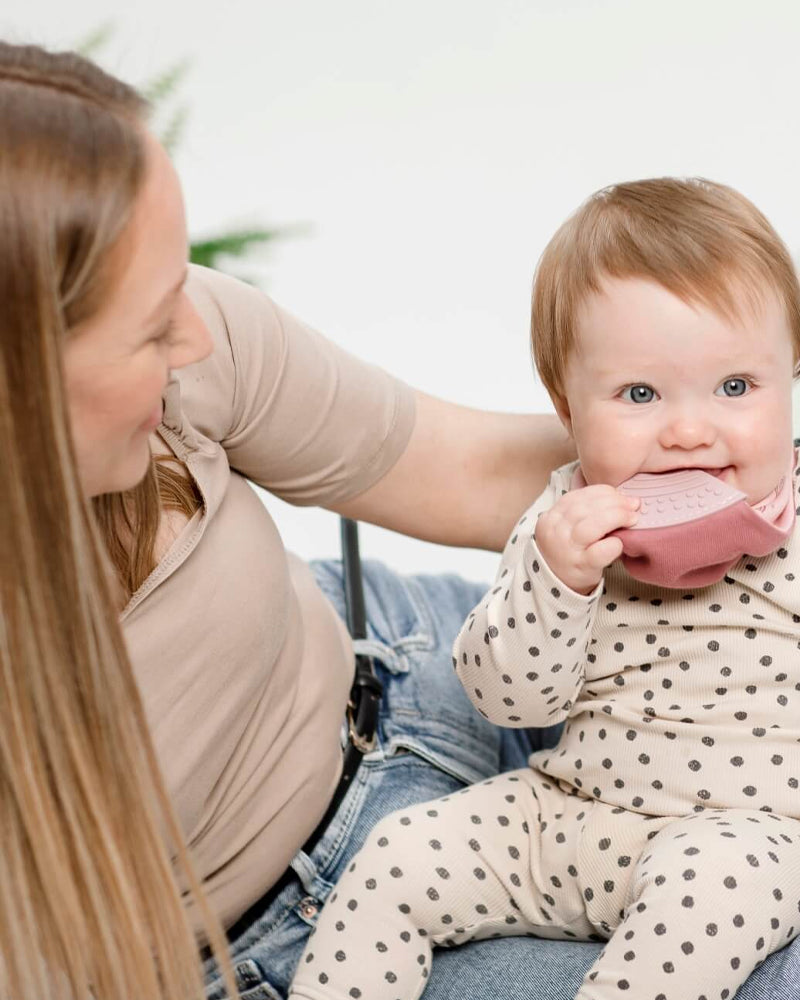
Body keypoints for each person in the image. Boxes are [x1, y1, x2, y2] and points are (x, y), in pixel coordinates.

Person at [0, 39, 598, 1000]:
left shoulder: (194, 347)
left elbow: (464, 468)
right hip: (301, 949)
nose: (193, 335)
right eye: (152, 326)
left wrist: (721, 470)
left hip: (418, 668)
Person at [287, 178, 800, 1000]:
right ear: (567, 406)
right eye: (639, 395)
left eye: (736, 387)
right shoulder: (561, 518)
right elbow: (508, 699)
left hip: (744, 837)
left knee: (709, 901)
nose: (690, 430)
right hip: (566, 814)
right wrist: (557, 581)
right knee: (395, 855)